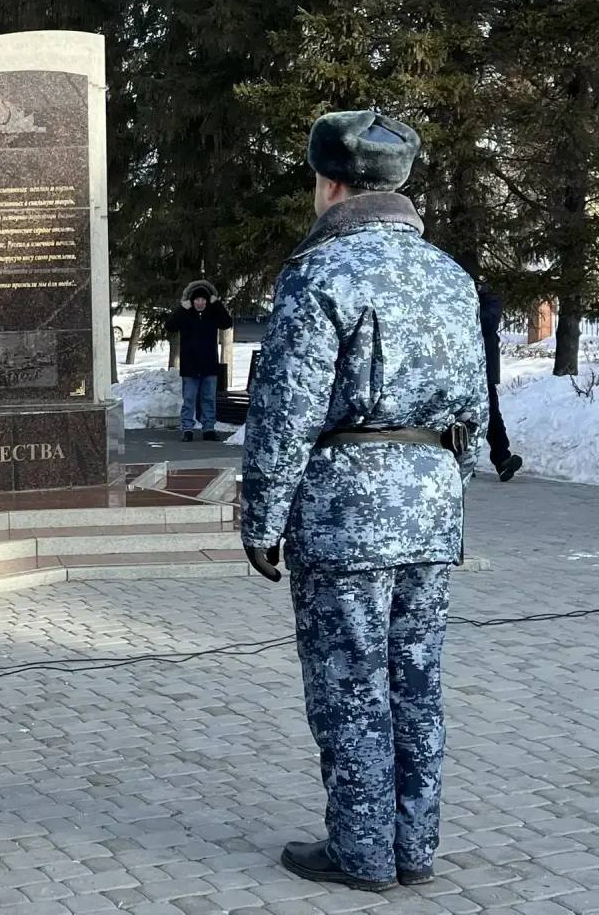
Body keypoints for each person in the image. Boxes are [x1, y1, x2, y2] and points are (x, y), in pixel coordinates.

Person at [240, 111, 488, 891]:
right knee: (417, 682)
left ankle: (362, 851)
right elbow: (475, 409)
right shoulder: (450, 275)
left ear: (330, 184)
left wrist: (262, 518)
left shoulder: (319, 273)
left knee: (350, 685)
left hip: (344, 515)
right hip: (429, 509)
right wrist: (441, 493)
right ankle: (413, 845)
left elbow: (285, 411)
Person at [166, 279, 233, 441]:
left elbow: (227, 323)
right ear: (192, 300)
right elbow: (170, 326)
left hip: (209, 364)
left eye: (203, 299)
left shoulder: (213, 313)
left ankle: (209, 429)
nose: (200, 303)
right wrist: (182, 308)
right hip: (190, 365)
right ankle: (187, 429)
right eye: (197, 300)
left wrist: (217, 304)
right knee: (189, 399)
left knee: (208, 399)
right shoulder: (185, 314)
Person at [476, 282, 523, 481]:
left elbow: (489, 322)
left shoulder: (489, 295)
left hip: (482, 369)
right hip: (454, 369)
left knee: (491, 414)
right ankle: (458, 462)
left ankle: (502, 460)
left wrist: (466, 308)